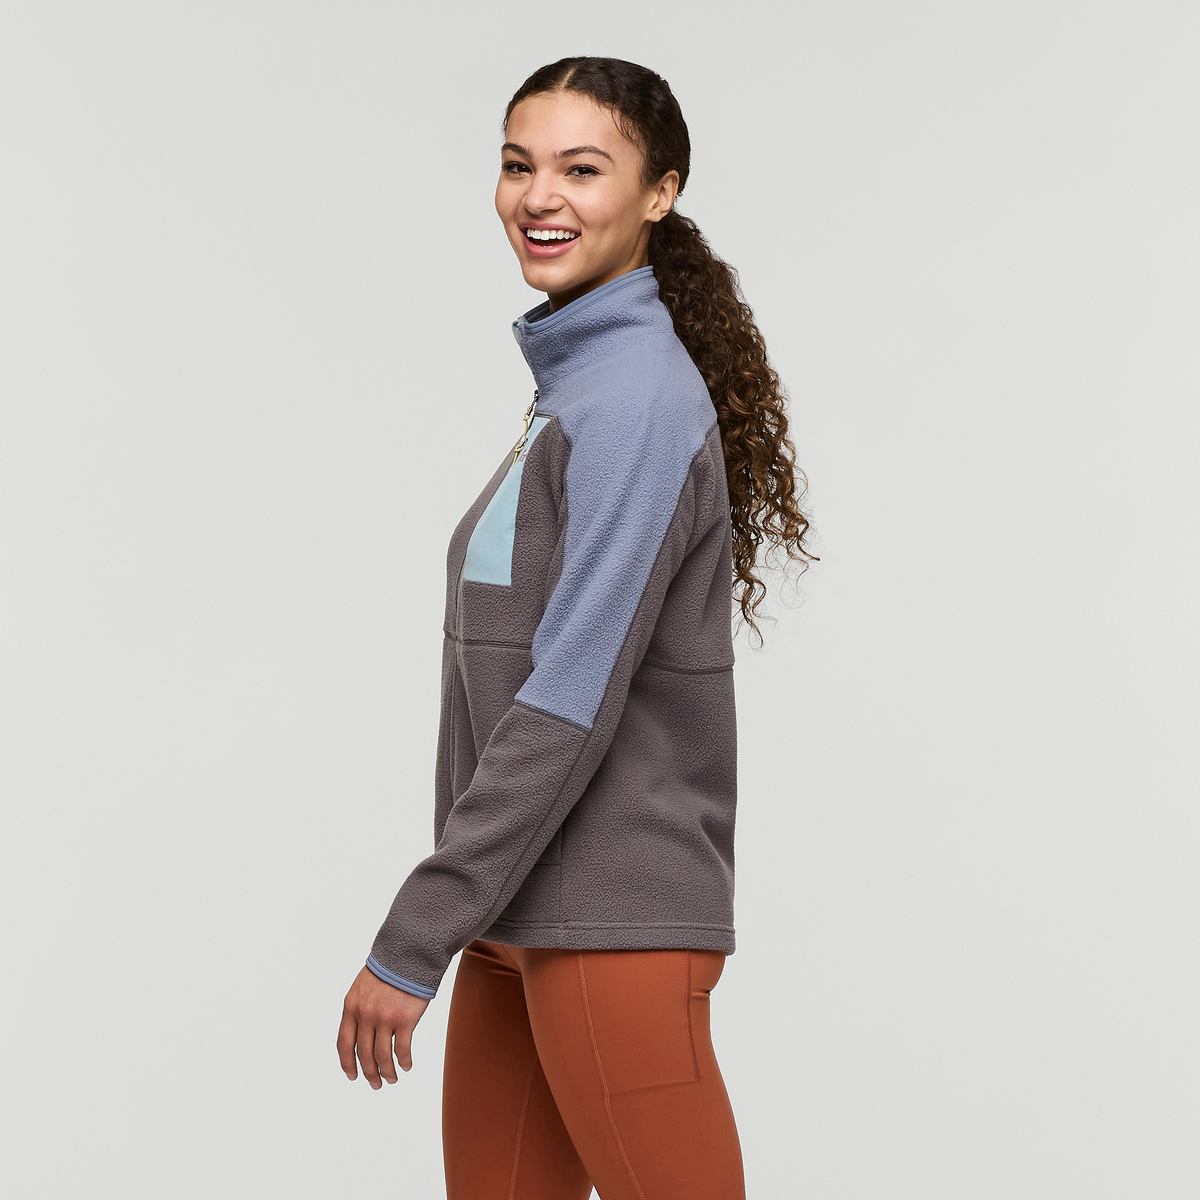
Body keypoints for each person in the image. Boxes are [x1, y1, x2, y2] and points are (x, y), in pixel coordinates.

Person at [337, 56, 816, 1199]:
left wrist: (415, 932)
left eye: (582, 169)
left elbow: (569, 698)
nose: (539, 196)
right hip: (515, 916)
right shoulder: (581, 388)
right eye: (519, 165)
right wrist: (465, 916)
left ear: (660, 192)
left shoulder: (636, 400)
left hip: (611, 923)